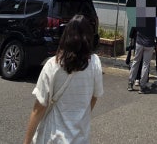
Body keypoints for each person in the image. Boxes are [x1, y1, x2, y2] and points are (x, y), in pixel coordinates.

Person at [22, 15, 103, 144]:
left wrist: (26, 142)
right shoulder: (95, 64)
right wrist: (80, 115)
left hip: (53, 137)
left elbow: (38, 109)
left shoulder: (53, 65)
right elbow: (94, 97)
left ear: (66, 36)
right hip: (80, 138)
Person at [127, 20, 155, 94]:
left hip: (139, 42)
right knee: (145, 65)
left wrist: (131, 36)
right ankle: (142, 86)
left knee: (136, 62)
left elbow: (134, 26)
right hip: (149, 43)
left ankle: (130, 83)